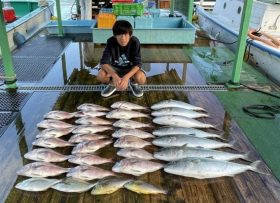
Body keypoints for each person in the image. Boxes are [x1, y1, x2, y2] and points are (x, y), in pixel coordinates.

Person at [97, 20, 146, 98]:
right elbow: (103, 62)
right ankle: (112, 84)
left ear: (130, 35)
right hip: (115, 68)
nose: (123, 38)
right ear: (115, 35)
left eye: (126, 34)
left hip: (130, 68)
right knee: (101, 75)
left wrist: (126, 77)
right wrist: (115, 77)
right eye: (120, 35)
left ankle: (133, 83)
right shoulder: (110, 41)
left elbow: (138, 63)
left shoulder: (135, 41)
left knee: (141, 78)